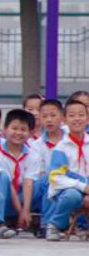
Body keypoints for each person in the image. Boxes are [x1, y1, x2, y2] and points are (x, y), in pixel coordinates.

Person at [46, 98, 89, 241]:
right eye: (72, 115)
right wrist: (83, 187)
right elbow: (56, 178)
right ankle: (55, 225)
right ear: (64, 119)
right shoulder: (61, 148)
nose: (77, 119)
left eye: (81, 114)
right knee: (72, 195)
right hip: (68, 191)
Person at [0, 109, 35, 238]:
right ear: (4, 129)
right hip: (4, 197)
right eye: (14, 128)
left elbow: (28, 181)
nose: (18, 133)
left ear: (30, 133)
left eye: (23, 129)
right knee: (3, 178)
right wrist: (21, 212)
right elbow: (8, 184)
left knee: (44, 182)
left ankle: (46, 224)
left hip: (22, 196)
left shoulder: (32, 154)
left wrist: (26, 210)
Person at [26, 99, 64, 230]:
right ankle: (46, 224)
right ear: (40, 119)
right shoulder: (36, 146)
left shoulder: (70, 140)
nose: (49, 120)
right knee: (49, 180)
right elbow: (37, 174)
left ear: (62, 117)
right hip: (44, 186)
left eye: (53, 115)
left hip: (68, 183)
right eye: (44, 116)